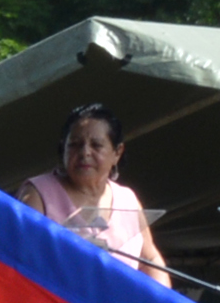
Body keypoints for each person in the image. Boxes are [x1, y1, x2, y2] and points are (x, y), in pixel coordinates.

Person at [23, 100, 164, 277]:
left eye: (96, 145)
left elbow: (150, 260)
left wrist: (160, 300)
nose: (85, 153)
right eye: (75, 144)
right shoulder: (38, 193)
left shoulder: (128, 200)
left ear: (117, 152)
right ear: (63, 148)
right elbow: (22, 256)